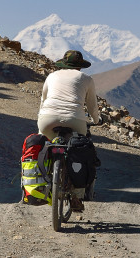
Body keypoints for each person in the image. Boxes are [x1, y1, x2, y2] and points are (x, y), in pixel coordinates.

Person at [37, 50, 100, 211]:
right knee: (80, 150)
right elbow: (92, 106)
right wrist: (96, 120)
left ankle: (40, 182)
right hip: (75, 120)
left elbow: (43, 100)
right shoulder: (86, 79)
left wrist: (41, 121)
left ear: (63, 64)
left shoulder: (52, 76)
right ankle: (77, 196)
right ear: (80, 66)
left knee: (42, 146)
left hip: (47, 119)